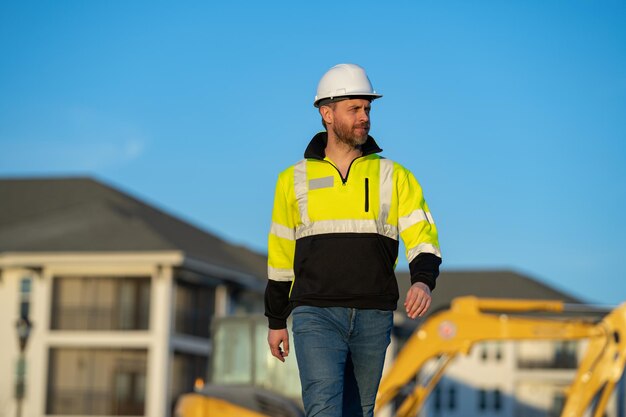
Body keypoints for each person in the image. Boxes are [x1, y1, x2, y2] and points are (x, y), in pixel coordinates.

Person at [265, 63, 442, 417]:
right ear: (327, 113)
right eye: (355, 109)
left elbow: (422, 234)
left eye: (368, 109)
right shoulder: (293, 180)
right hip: (315, 312)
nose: (365, 117)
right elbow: (281, 254)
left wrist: (422, 281)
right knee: (324, 409)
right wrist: (275, 320)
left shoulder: (394, 176)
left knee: (358, 412)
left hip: (373, 315)